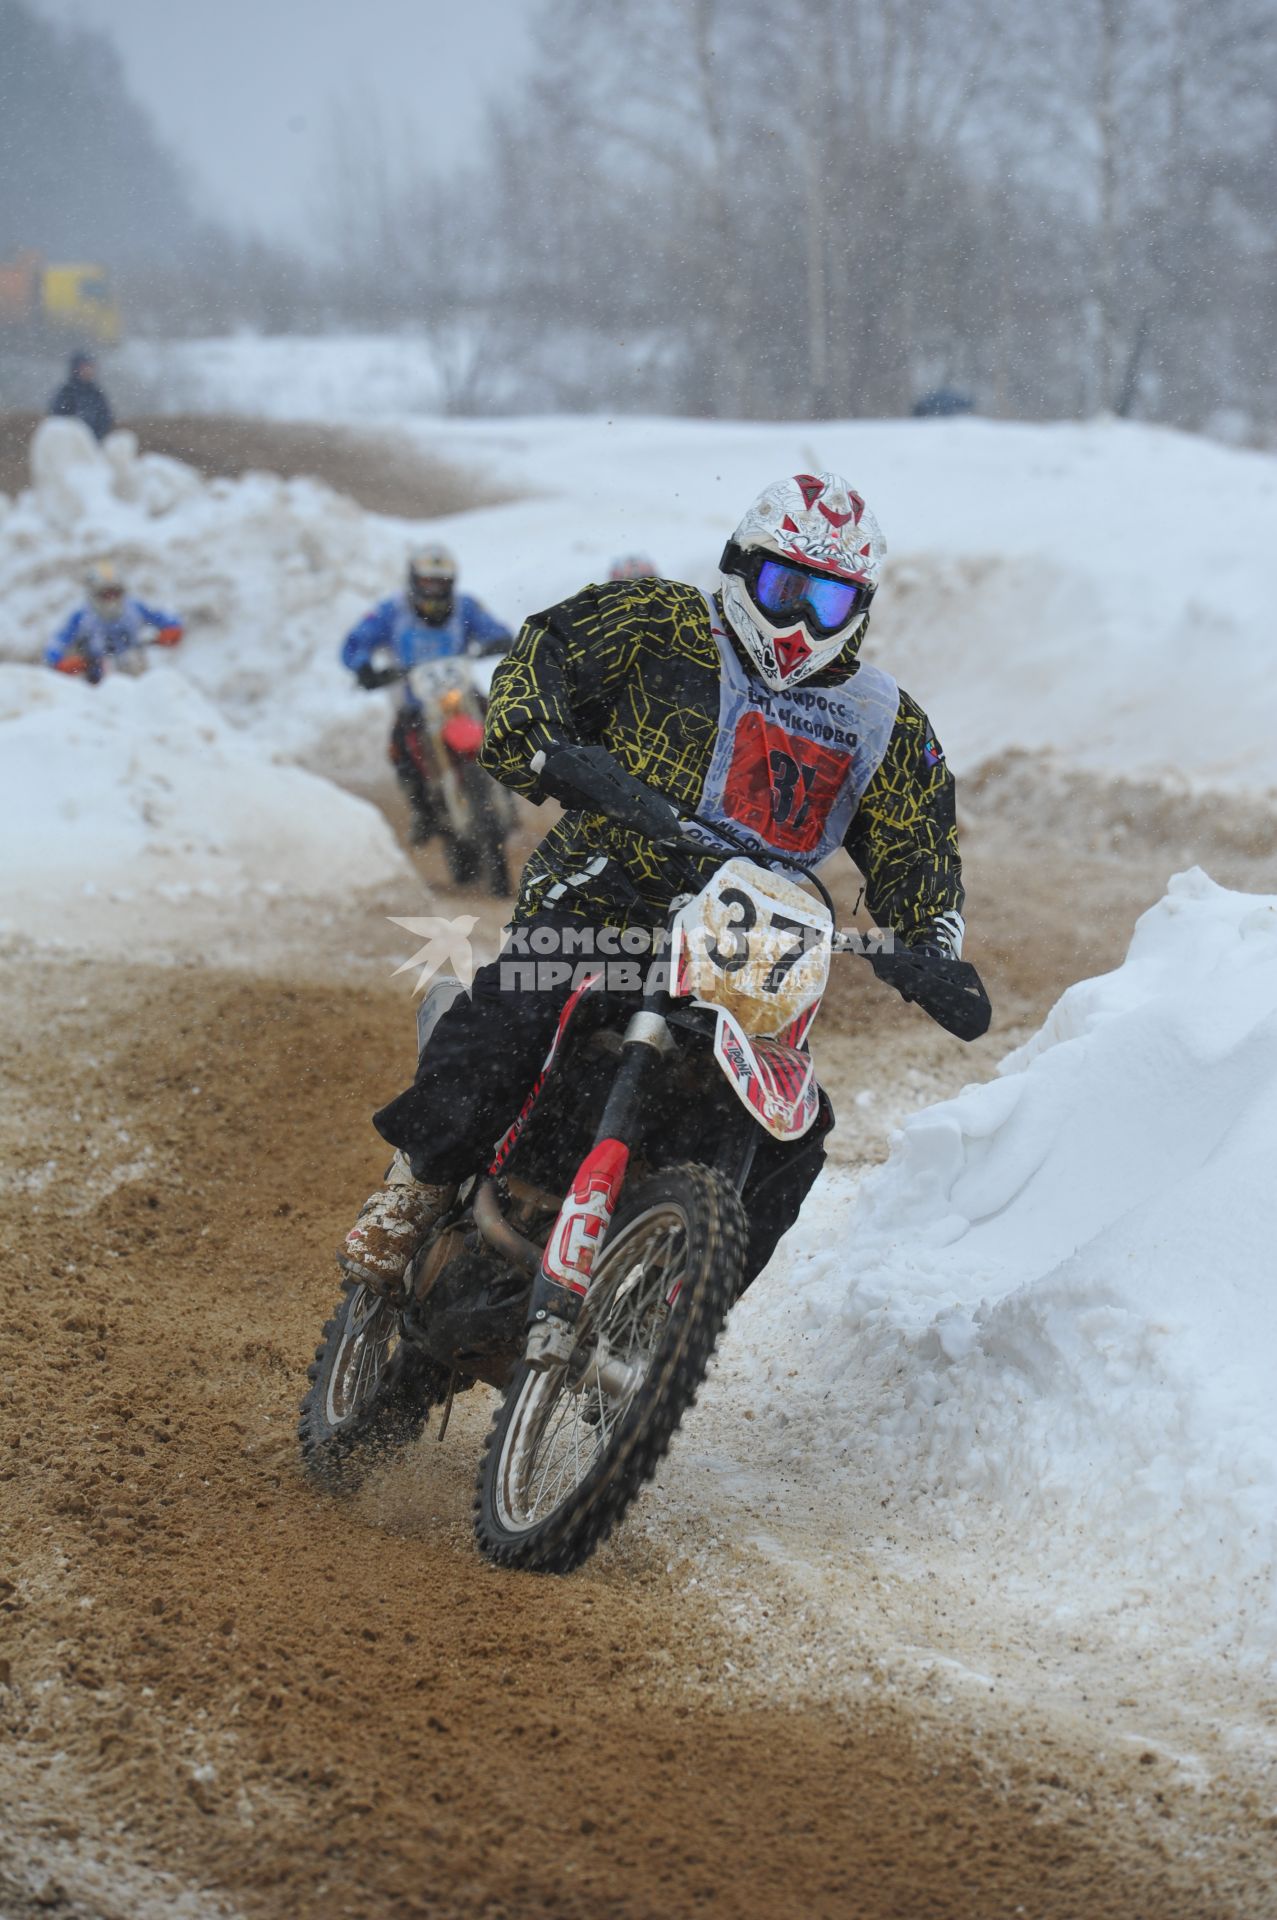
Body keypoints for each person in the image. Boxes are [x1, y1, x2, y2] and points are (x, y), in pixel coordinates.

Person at [340, 471, 978, 1298]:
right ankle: (419, 1182)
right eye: (784, 588)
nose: (794, 621)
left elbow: (917, 841)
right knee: (522, 1005)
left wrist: (930, 947)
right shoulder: (658, 623)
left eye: (823, 604)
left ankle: (675, 1315)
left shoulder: (882, 720)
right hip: (611, 897)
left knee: (799, 1136)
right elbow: (544, 657)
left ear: (856, 610)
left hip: (750, 956)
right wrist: (551, 748)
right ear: (739, 566)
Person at [341, 544, 512, 846]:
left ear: (452, 583)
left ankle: (509, 784)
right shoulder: (390, 612)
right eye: (427, 582)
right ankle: (422, 811)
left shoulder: (466, 607)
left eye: (441, 582)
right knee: (401, 748)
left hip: (461, 693)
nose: (434, 590)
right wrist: (364, 668)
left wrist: (498, 641)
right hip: (415, 700)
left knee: (502, 723)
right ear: (414, 580)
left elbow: (495, 629)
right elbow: (355, 643)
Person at [46, 562, 183, 682]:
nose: (111, 599)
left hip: (137, 672)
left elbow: (166, 619)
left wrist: (172, 630)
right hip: (97, 681)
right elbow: (57, 642)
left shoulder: (133, 608)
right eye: (105, 594)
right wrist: (60, 662)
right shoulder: (82, 617)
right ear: (93, 593)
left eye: (116, 593)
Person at [47, 351, 115, 441]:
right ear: (76, 368)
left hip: (94, 444)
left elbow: (105, 418)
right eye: (85, 367)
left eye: (91, 367)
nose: (88, 370)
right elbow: (57, 419)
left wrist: (95, 437)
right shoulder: (66, 392)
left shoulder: (96, 393)